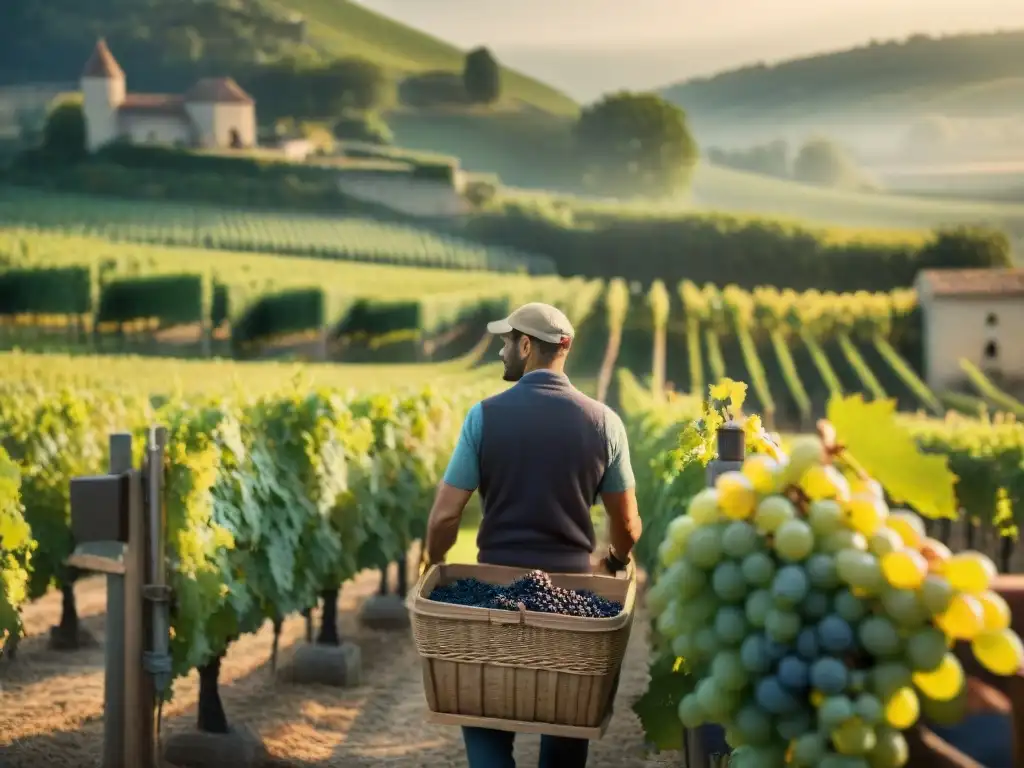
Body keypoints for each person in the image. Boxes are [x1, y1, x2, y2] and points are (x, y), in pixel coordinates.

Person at [422, 302, 642, 768]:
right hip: (574, 602)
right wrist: (614, 561)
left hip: (493, 597)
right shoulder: (605, 424)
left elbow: (444, 518)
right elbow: (626, 526)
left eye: (506, 342)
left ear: (526, 346)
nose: (501, 351)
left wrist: (433, 562)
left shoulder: (484, 417)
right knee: (567, 717)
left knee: (481, 706)